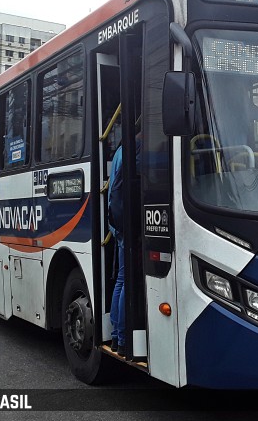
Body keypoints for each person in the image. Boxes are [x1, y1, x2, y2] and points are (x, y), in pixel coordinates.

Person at [108, 121, 141, 357]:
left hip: (117, 221)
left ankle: (116, 337)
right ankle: (122, 337)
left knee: (121, 279)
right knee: (126, 279)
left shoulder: (121, 150)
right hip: (126, 224)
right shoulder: (135, 151)